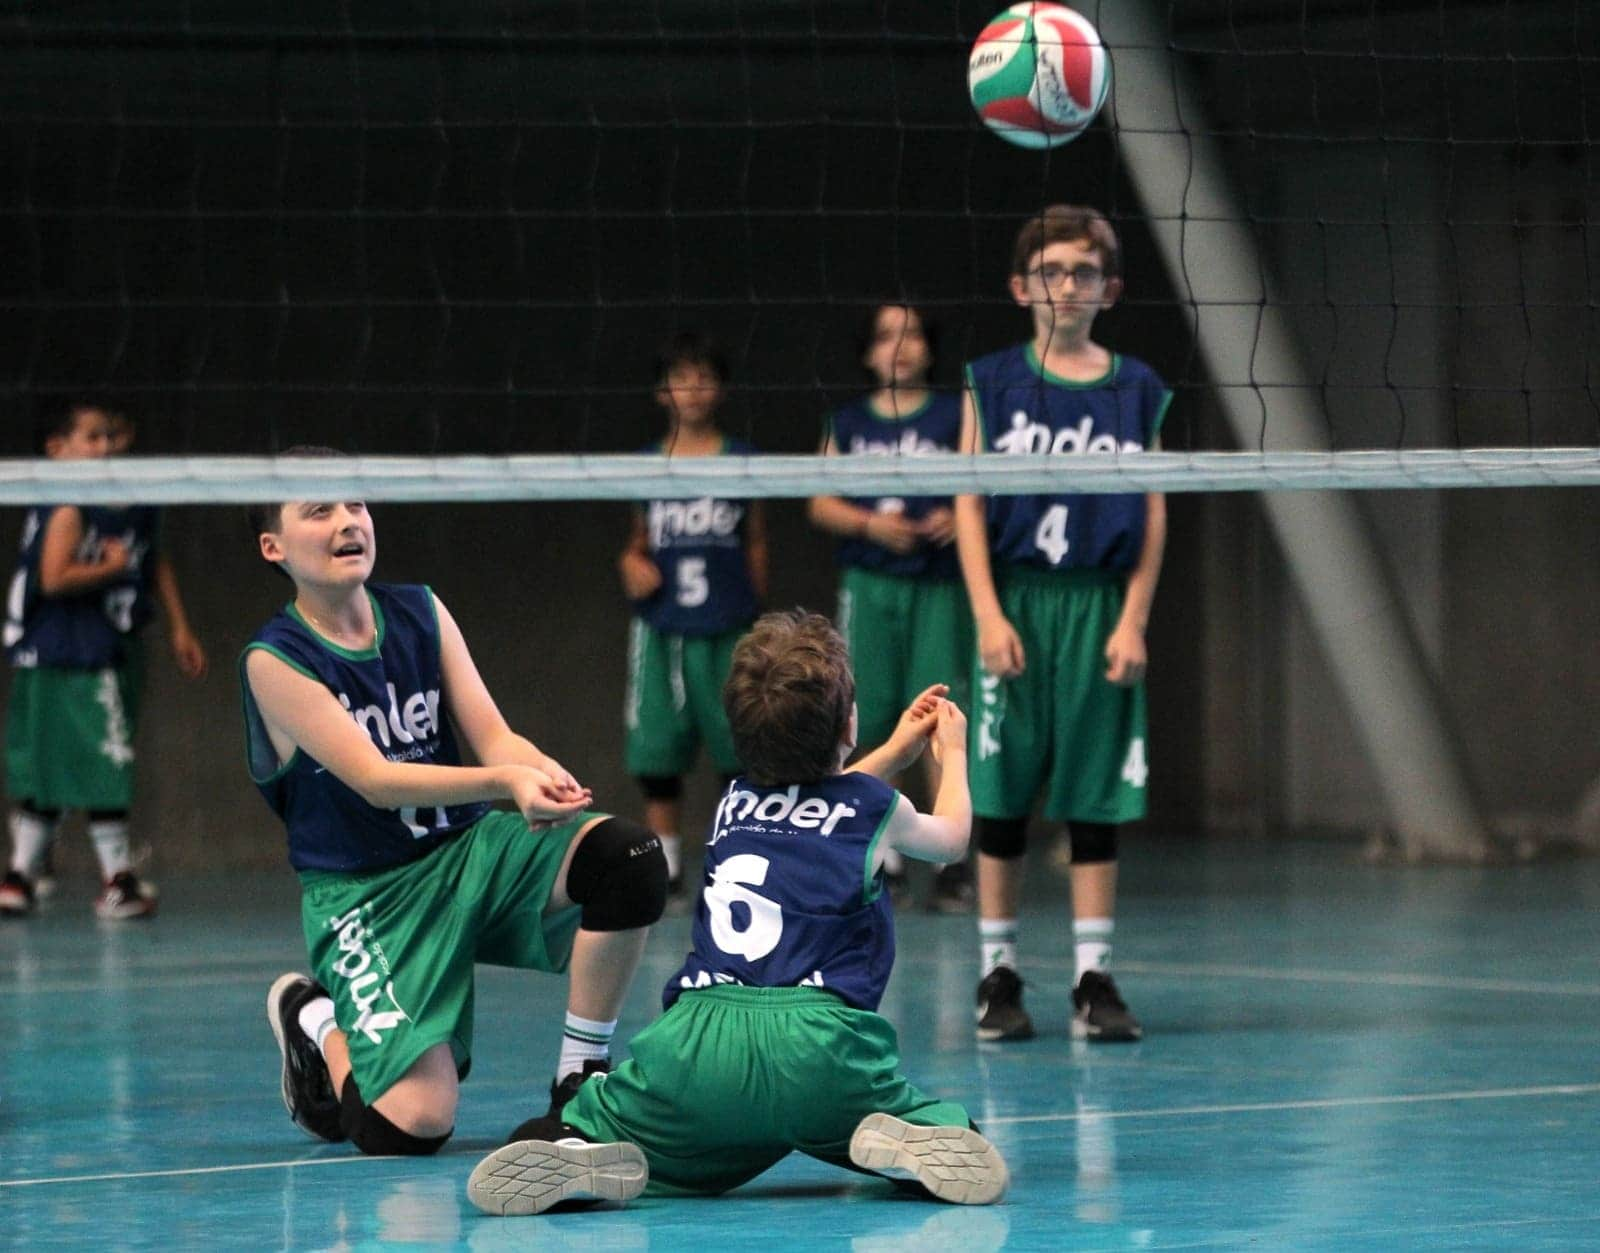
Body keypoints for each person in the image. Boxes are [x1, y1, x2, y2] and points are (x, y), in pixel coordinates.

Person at [466, 610, 1008, 1217]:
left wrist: (894, 750)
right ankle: (900, 1134)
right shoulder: (878, 808)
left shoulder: (733, 801)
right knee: (925, 1123)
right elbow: (950, 836)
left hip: (697, 1044)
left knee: (597, 1111)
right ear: (848, 722)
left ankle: (583, 1143)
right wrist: (950, 755)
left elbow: (821, 798)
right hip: (818, 1045)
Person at [242, 456, 667, 1157]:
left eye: (356, 503)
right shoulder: (274, 659)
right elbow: (375, 779)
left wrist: (539, 769)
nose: (348, 520)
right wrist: (504, 779)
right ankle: (313, 1014)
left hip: (469, 853)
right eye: (319, 510)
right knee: (407, 1126)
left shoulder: (420, 609)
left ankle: (578, 1080)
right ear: (274, 547)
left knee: (629, 857)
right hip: (369, 894)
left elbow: (495, 735)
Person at [955, 205, 1170, 1044]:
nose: (1067, 286)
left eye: (1083, 272)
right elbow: (969, 499)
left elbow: (1154, 510)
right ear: (1022, 287)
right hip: (1015, 600)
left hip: (1097, 607)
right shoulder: (991, 380)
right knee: (1002, 798)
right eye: (1051, 271)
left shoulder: (1136, 387)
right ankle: (997, 973)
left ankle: (1093, 975)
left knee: (1094, 796)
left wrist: (1134, 620)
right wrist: (984, 612)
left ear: (1108, 289)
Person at [0, 401, 207, 919]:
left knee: (77, 760)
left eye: (112, 435)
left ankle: (20, 877)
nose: (106, 446)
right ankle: (108, 880)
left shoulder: (130, 499)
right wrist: (110, 568)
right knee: (96, 760)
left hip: (109, 644)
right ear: (57, 450)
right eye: (92, 437)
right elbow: (53, 577)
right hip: (67, 650)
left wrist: (179, 625)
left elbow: (152, 558)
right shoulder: (69, 504)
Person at [808, 302, 975, 912]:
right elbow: (819, 503)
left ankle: (952, 863)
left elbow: (984, 490)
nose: (899, 346)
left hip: (938, 586)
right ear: (868, 351)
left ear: (930, 348)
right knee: (872, 711)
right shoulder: (848, 420)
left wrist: (958, 517)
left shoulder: (959, 412)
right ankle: (888, 854)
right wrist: (872, 525)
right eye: (885, 335)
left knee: (940, 710)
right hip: (870, 584)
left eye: (911, 334)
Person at [618, 333, 768, 899]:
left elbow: (756, 538)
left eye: (704, 376)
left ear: (721, 387)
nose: (694, 388)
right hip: (662, 627)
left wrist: (756, 608)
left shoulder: (742, 459)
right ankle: (668, 866)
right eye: (681, 377)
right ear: (663, 392)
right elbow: (637, 541)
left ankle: (733, 861)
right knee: (657, 750)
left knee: (739, 749)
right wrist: (631, 561)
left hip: (727, 625)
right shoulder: (645, 466)